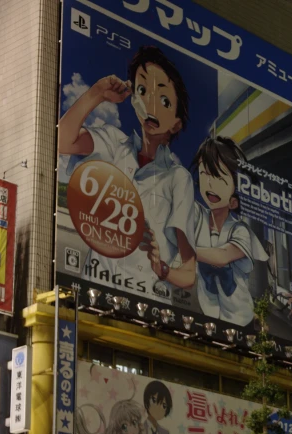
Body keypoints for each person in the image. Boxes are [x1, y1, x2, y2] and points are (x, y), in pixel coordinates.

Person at [58, 45, 196, 302]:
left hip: (146, 309)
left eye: (164, 100)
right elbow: (61, 141)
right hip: (93, 298)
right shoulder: (111, 143)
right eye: (143, 91)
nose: (151, 104)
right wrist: (96, 94)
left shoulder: (179, 179)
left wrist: (162, 268)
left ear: (176, 123)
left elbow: (189, 272)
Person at [190, 135, 266, 325]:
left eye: (220, 177)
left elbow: (223, 256)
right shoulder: (199, 215)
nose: (210, 184)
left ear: (235, 198)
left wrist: (188, 250)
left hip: (241, 319)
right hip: (208, 315)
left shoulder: (240, 230)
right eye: (205, 174)